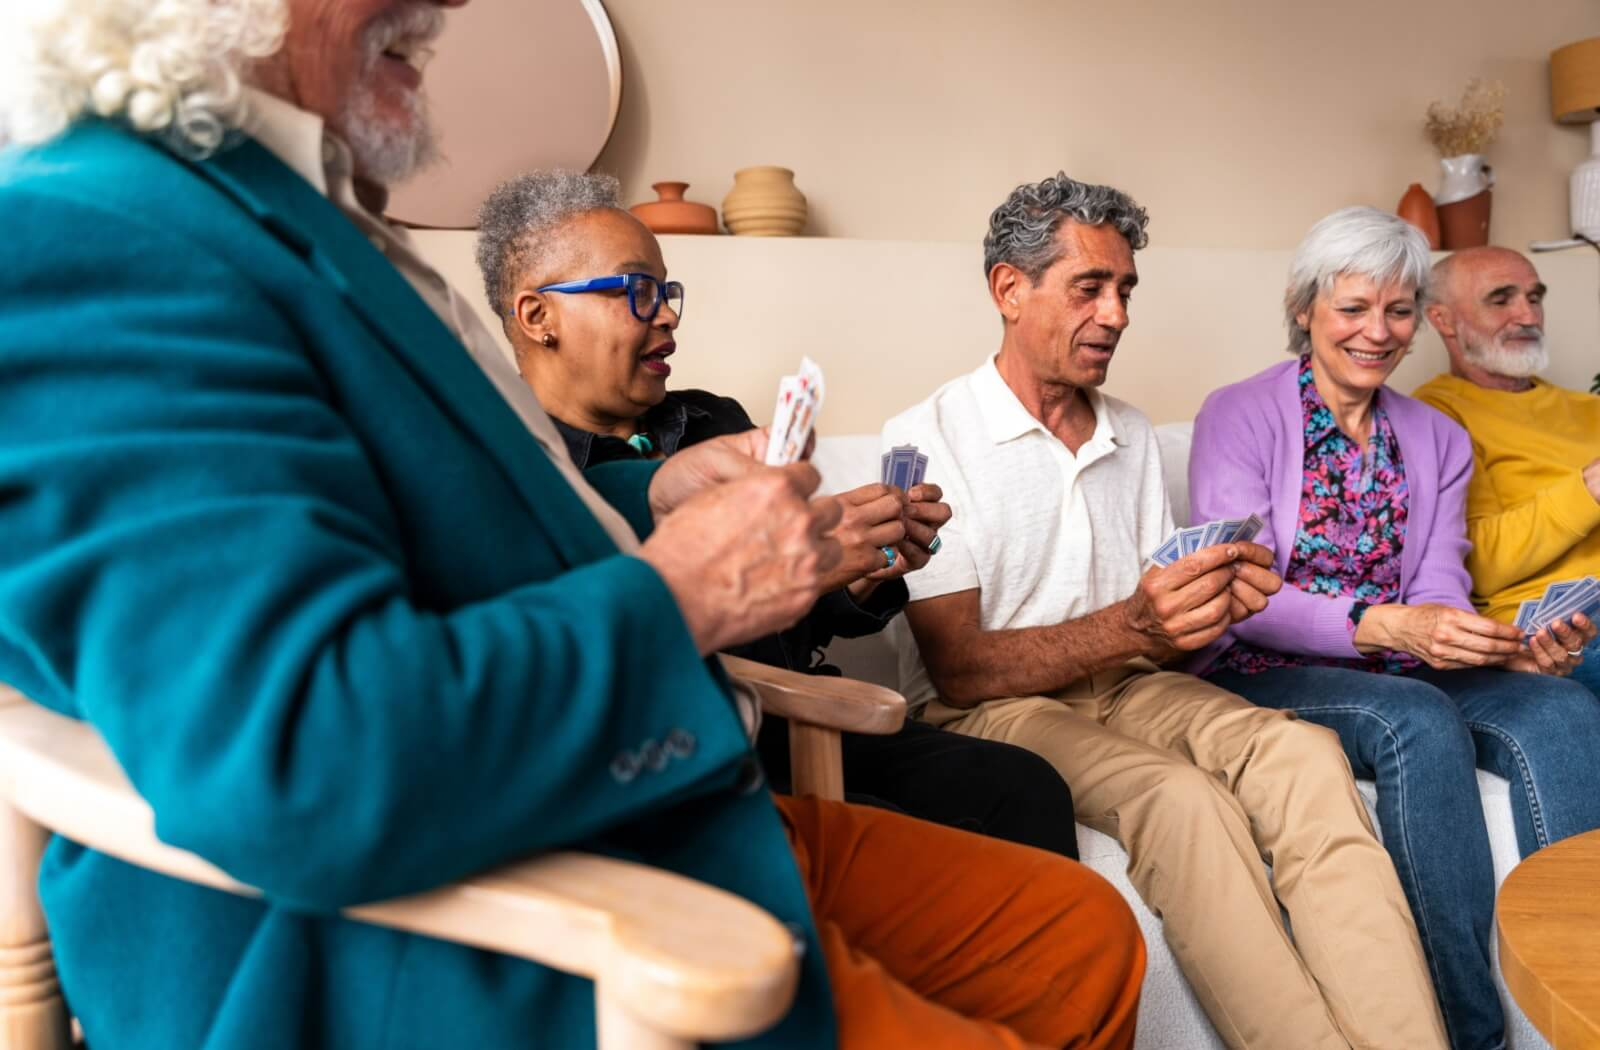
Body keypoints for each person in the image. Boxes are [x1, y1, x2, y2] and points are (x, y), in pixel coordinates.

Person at [0, 3, 1146, 1048]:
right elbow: (301, 759)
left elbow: (418, 519)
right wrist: (688, 592)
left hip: (650, 790)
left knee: (1088, 938)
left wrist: (652, 503)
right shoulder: (98, 238)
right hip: (467, 920)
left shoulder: (293, 211)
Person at [884, 173, 1451, 1050]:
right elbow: (960, 668)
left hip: (1131, 684)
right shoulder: (929, 439)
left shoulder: (1131, 433)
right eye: (1089, 288)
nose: (1115, 315)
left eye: (1124, 290)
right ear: (1008, 290)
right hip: (991, 712)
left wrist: (1219, 599)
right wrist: (1136, 627)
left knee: (1303, 753)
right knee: (1180, 800)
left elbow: (1162, 629)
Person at [475, 169, 1083, 857]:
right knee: (890, 842)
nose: (667, 314)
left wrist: (865, 566)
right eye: (637, 291)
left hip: (808, 715)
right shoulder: (511, 467)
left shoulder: (714, 421)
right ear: (538, 317)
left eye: (667, 291)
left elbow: (808, 617)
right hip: (689, 741)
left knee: (1025, 785)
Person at [1188, 207, 1600, 1050]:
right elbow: (1239, 589)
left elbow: (1443, 586)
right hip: (1264, 663)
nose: (1377, 332)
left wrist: (1497, 647)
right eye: (1352, 309)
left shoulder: (1438, 438)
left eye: (1399, 310)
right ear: (1306, 308)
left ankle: (1581, 1005)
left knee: (1565, 711)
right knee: (1415, 722)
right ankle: (1470, 1031)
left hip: (1404, 661)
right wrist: (1387, 627)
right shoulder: (1240, 413)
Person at [1415, 246, 1600, 698]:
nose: (1528, 315)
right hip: (1558, 627)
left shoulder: (1589, 408)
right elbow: (1473, 564)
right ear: (1442, 319)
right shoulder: (1433, 415)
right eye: (1501, 299)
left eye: (1534, 297)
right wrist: (1587, 491)